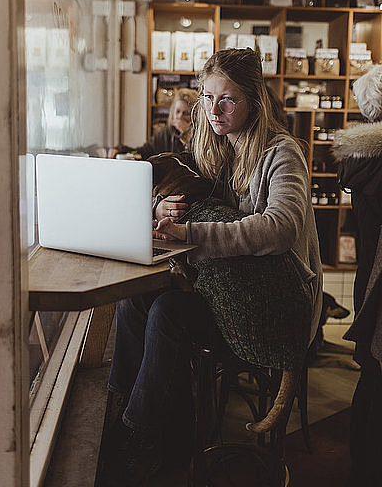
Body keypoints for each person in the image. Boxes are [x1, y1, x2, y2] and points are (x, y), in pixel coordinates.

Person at [105, 48, 322, 486]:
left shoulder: (283, 153)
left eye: (227, 100)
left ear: (253, 102)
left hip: (278, 307)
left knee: (169, 315)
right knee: (136, 299)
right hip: (232, 294)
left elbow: (278, 229)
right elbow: (184, 189)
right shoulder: (220, 151)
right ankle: (129, 417)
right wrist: (160, 203)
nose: (213, 110)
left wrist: (191, 234)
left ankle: (143, 437)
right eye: (207, 97)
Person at [332, 64, 382, 487]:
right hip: (378, 280)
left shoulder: (361, 155)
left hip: (368, 271)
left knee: (370, 368)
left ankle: (360, 459)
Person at [113, 87, 198, 161]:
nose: (180, 117)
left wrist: (186, 134)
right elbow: (143, 152)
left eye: (186, 113)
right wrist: (120, 150)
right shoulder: (166, 133)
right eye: (178, 111)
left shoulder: (199, 135)